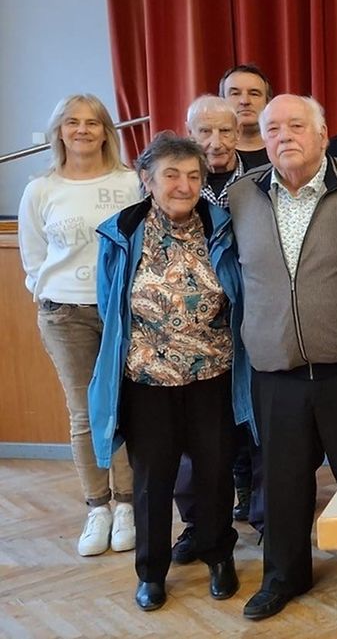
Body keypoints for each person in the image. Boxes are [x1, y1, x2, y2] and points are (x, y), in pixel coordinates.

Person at [229, 94, 337, 621]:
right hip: (275, 369)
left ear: (323, 135)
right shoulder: (242, 195)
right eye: (273, 128)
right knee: (282, 483)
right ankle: (283, 576)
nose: (284, 136)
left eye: (296, 125)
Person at [88, 134, 252, 611]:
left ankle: (218, 555)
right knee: (152, 480)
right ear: (147, 179)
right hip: (147, 380)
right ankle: (151, 572)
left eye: (194, 176)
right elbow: (109, 304)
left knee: (215, 471)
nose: (184, 185)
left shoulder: (222, 226)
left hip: (213, 375)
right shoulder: (122, 231)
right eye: (172, 175)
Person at [17, 94, 139, 558]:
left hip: (121, 310)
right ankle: (98, 506)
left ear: (106, 131)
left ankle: (126, 504)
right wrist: (49, 292)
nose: (83, 130)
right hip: (65, 313)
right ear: (59, 132)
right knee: (84, 412)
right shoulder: (40, 189)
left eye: (92, 122)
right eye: (73, 122)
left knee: (124, 406)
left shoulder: (130, 182)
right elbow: (33, 256)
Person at [171, 96, 264, 566]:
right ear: (189, 133)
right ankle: (199, 525)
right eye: (204, 131)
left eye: (225, 131)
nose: (216, 141)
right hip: (193, 331)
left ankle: (267, 520)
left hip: (252, 320)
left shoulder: (259, 180)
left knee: (259, 425)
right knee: (194, 437)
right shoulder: (175, 184)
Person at [219, 64, 273, 168]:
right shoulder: (208, 157)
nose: (245, 101)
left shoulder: (282, 151)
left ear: (267, 102)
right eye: (235, 93)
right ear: (221, 102)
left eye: (254, 94)